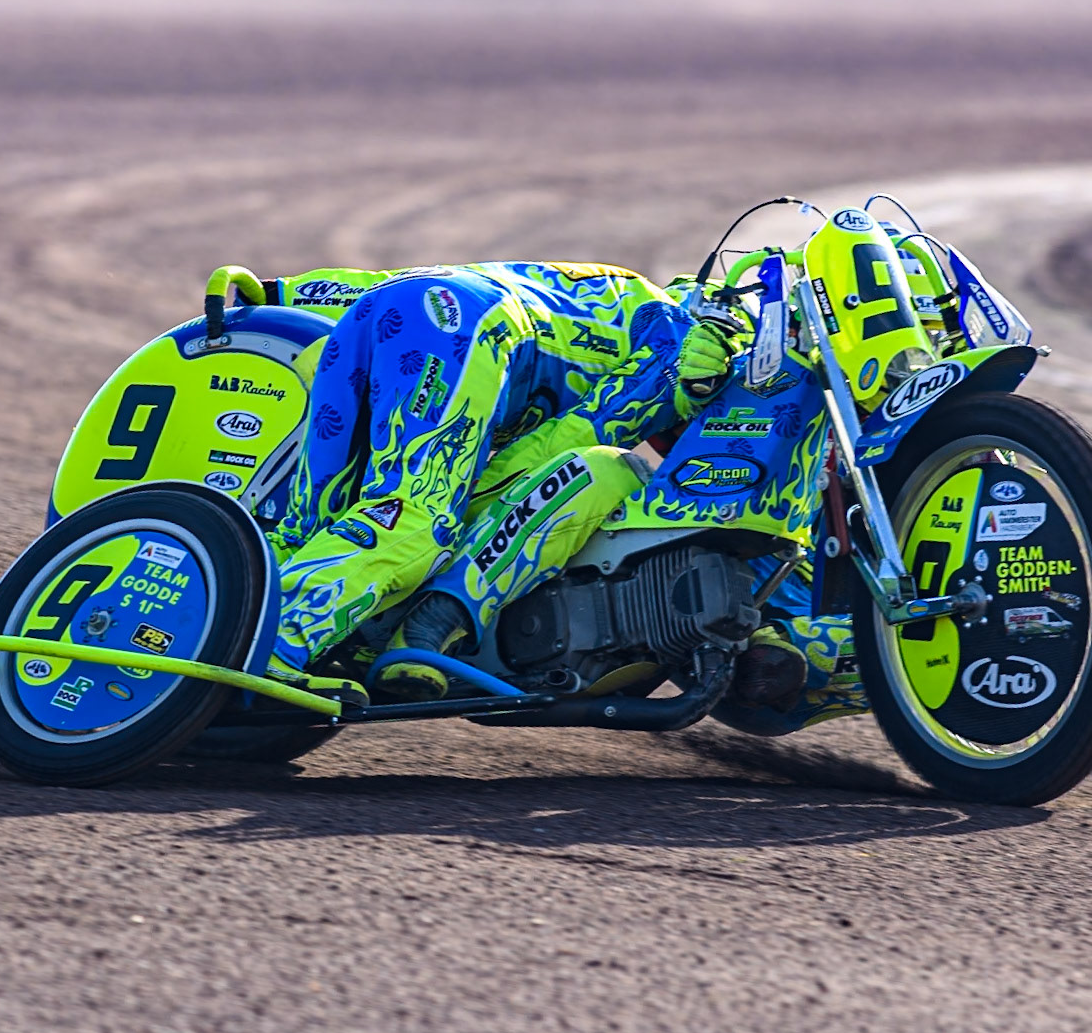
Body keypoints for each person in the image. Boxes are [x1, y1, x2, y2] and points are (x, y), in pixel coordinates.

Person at [243, 261, 744, 704]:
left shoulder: (622, 294)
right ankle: (274, 645)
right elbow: (563, 447)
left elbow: (401, 284)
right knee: (420, 519)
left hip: (387, 307)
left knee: (312, 520)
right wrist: (471, 508)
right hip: (463, 334)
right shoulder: (680, 346)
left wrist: (283, 291)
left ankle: (223, 619)